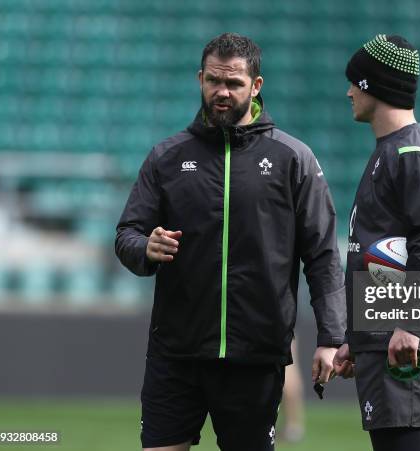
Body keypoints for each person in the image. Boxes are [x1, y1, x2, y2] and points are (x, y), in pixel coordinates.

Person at [115, 32, 346, 451]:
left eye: (234, 83)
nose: (222, 92)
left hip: (255, 357)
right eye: (214, 81)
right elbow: (126, 234)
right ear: (200, 78)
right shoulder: (165, 157)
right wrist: (144, 249)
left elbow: (323, 255)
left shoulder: (292, 159)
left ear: (256, 85)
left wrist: (332, 336)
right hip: (176, 354)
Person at [333, 34, 420, 451]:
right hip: (384, 334)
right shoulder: (391, 151)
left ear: (375, 85)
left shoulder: (413, 153)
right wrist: (360, 337)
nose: (349, 91)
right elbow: (382, 247)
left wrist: (409, 324)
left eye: (356, 81)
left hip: (405, 339)